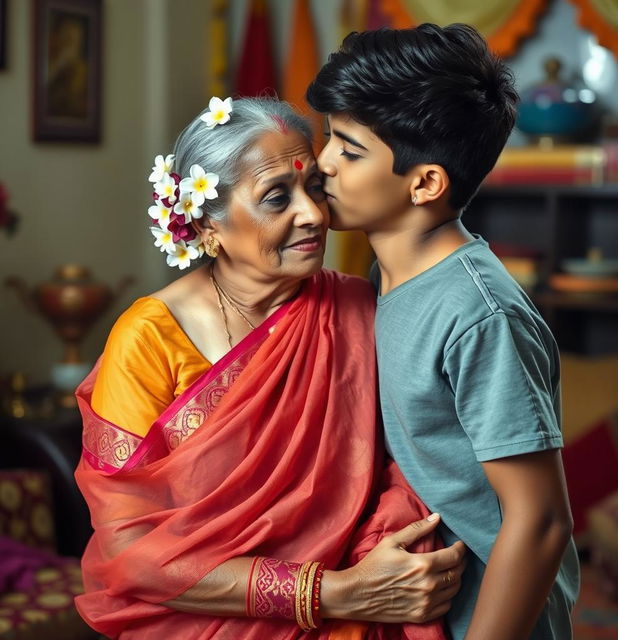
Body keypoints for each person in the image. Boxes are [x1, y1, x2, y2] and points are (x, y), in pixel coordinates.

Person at [74, 96, 466, 639]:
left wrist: (382, 552)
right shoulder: (150, 339)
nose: (312, 214)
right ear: (207, 225)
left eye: (313, 189)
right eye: (276, 197)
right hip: (200, 621)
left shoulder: (354, 307)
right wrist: (333, 594)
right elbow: (130, 550)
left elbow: (407, 459)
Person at [307, 22, 580, 640]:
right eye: (330, 137)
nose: (323, 163)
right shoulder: (388, 278)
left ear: (425, 182)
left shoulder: (477, 313)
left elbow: (539, 521)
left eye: (350, 151)